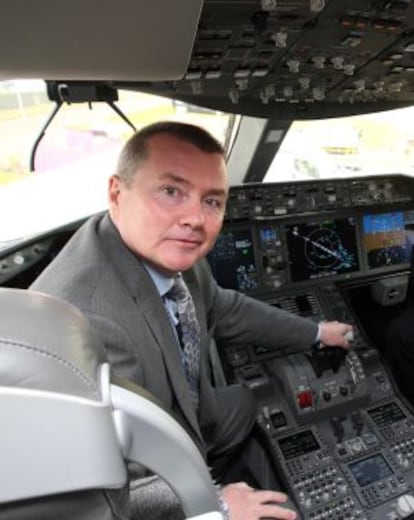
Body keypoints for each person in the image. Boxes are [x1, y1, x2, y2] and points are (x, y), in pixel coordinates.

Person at [31, 121, 352, 520]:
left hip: (187, 414)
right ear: (117, 193)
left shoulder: (168, 249)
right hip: (135, 477)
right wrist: (214, 506)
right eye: (171, 192)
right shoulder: (84, 323)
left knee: (246, 400)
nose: (195, 219)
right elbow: (91, 492)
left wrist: (317, 332)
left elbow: (226, 308)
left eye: (212, 201)